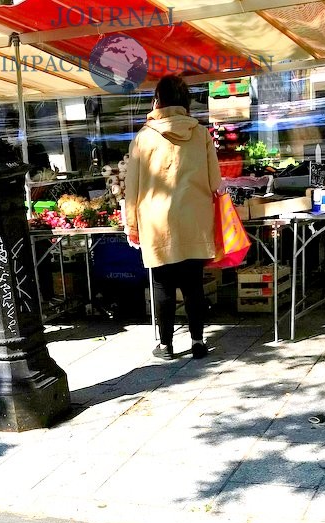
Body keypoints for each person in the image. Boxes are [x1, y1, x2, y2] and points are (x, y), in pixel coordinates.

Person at [125, 75, 221, 360]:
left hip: (157, 223)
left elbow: (132, 188)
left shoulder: (144, 137)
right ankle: (197, 341)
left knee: (163, 284)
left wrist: (131, 226)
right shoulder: (201, 133)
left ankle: (166, 345)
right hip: (195, 218)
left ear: (158, 100)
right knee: (193, 284)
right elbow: (215, 181)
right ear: (185, 102)